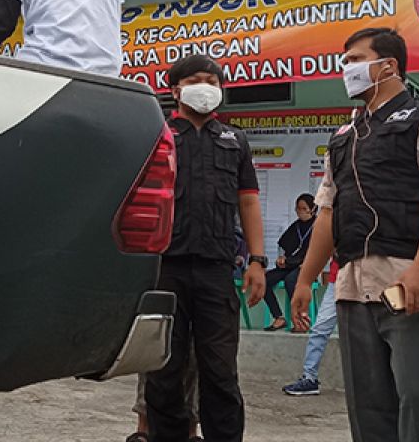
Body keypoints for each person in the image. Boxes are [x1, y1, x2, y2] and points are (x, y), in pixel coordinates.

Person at [291, 27, 419, 442]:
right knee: (367, 406)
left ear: (387, 65)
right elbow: (326, 214)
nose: (346, 69)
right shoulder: (343, 137)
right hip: (353, 287)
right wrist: (305, 279)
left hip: (409, 279)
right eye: (345, 61)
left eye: (355, 59)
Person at [145, 55, 267, 442]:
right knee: (164, 370)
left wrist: (258, 261)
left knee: (220, 372)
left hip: (217, 271)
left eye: (212, 80)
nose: (206, 86)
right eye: (196, 79)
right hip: (164, 270)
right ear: (176, 88)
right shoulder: (156, 135)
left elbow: (247, 201)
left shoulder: (235, 141)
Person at [281, 260, 340, 396]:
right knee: (320, 328)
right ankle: (309, 378)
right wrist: (305, 281)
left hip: (369, 277)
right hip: (338, 279)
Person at [263, 194, 317, 331]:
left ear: (313, 209)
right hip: (290, 264)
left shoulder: (318, 226)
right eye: (298, 208)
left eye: (304, 208)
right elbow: (283, 244)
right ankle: (278, 317)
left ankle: (300, 321)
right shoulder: (296, 226)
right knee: (264, 280)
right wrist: (281, 258)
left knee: (290, 280)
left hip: (306, 267)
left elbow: (318, 251)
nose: (300, 212)